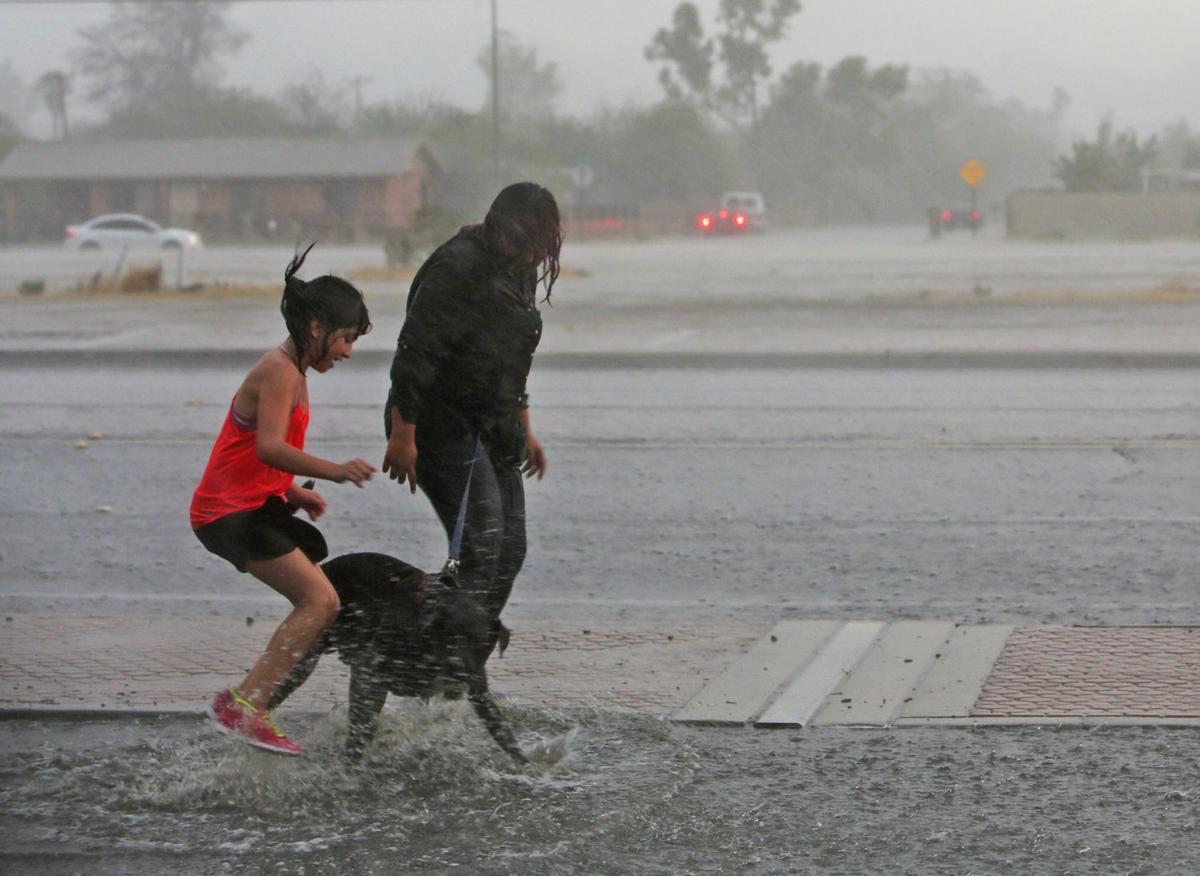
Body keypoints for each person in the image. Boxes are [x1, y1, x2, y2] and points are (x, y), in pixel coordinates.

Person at [190, 244, 376, 755]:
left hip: (246, 506)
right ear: (316, 328)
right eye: (346, 338)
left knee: (319, 599)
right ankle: (244, 707)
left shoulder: (295, 372)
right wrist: (334, 471)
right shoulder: (280, 371)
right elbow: (270, 446)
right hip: (227, 514)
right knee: (320, 600)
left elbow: (252, 456)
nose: (348, 352)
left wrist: (291, 491)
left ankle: (242, 702)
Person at [382, 182, 561, 650]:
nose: (535, 256)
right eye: (528, 243)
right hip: (439, 424)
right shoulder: (457, 266)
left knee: (510, 550)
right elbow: (415, 351)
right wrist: (403, 434)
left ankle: (460, 661)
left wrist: (526, 427)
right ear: (501, 228)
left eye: (541, 246)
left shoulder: (519, 266)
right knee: (480, 547)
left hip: (494, 422)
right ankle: (428, 655)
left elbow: (511, 357)